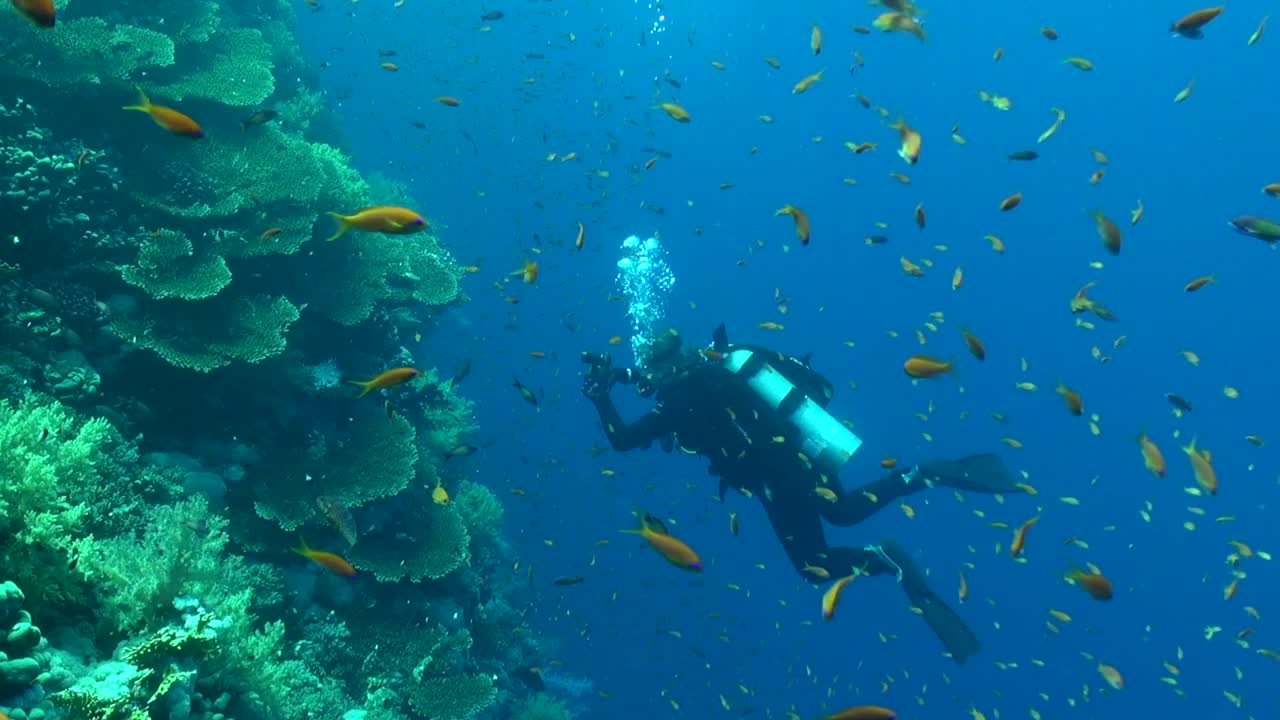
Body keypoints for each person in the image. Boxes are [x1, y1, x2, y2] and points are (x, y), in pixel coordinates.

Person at [581, 324, 1025, 664]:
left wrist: (600, 396)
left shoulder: (678, 402)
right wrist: (622, 375)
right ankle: (923, 476)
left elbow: (621, 439)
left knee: (815, 563)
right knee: (844, 512)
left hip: (774, 479)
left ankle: (888, 552)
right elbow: (654, 381)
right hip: (801, 453)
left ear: (663, 369)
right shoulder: (716, 363)